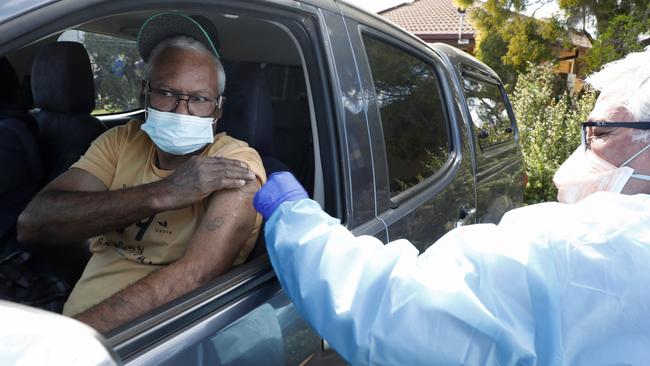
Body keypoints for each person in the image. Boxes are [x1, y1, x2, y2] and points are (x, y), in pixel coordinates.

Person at [253, 48, 650, 365]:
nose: (579, 156)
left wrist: (291, 213)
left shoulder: (595, 245)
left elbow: (393, 314)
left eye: (600, 133)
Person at [17, 11, 266, 332]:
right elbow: (33, 223)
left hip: (150, 340)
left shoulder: (234, 162)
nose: (181, 110)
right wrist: (163, 193)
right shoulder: (122, 140)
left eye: (199, 99)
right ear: (143, 95)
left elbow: (197, 275)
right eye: (166, 93)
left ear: (217, 109)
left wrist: (67, 344)